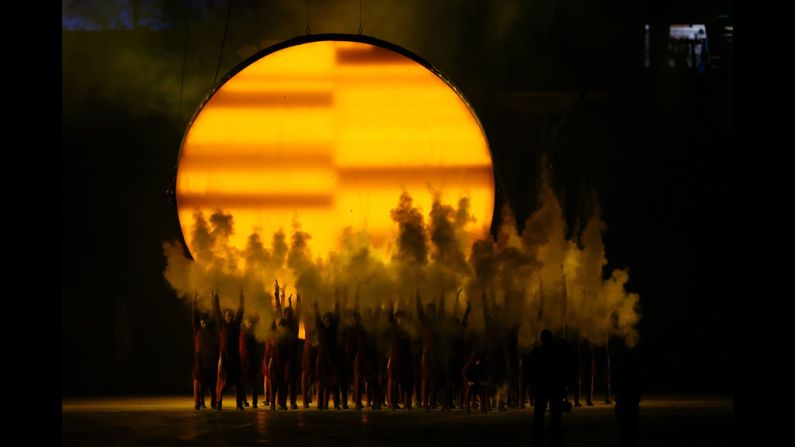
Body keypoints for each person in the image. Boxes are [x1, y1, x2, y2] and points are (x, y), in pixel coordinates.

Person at [529, 329, 568, 447]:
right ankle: (554, 439)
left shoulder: (537, 351)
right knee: (555, 415)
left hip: (542, 386)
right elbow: (563, 369)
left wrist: (532, 385)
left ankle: (539, 438)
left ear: (542, 339)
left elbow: (531, 370)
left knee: (539, 415)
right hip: (554, 386)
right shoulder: (557, 351)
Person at [214, 290, 245, 410]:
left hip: (235, 357)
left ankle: (239, 404)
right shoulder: (222, 325)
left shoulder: (236, 326)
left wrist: (241, 300)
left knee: (238, 382)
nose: (230, 317)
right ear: (225, 317)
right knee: (222, 381)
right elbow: (217, 313)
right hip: (225, 357)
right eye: (228, 315)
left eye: (231, 315)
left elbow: (240, 313)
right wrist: (216, 299)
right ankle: (218, 402)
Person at [192, 293, 219, 410]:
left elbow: (215, 317)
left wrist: (214, 302)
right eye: (202, 321)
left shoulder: (211, 329)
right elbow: (194, 317)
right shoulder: (197, 329)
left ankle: (214, 401)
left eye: (205, 321)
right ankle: (199, 402)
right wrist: (194, 303)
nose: (203, 322)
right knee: (200, 382)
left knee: (212, 382)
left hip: (211, 359)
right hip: (200, 359)